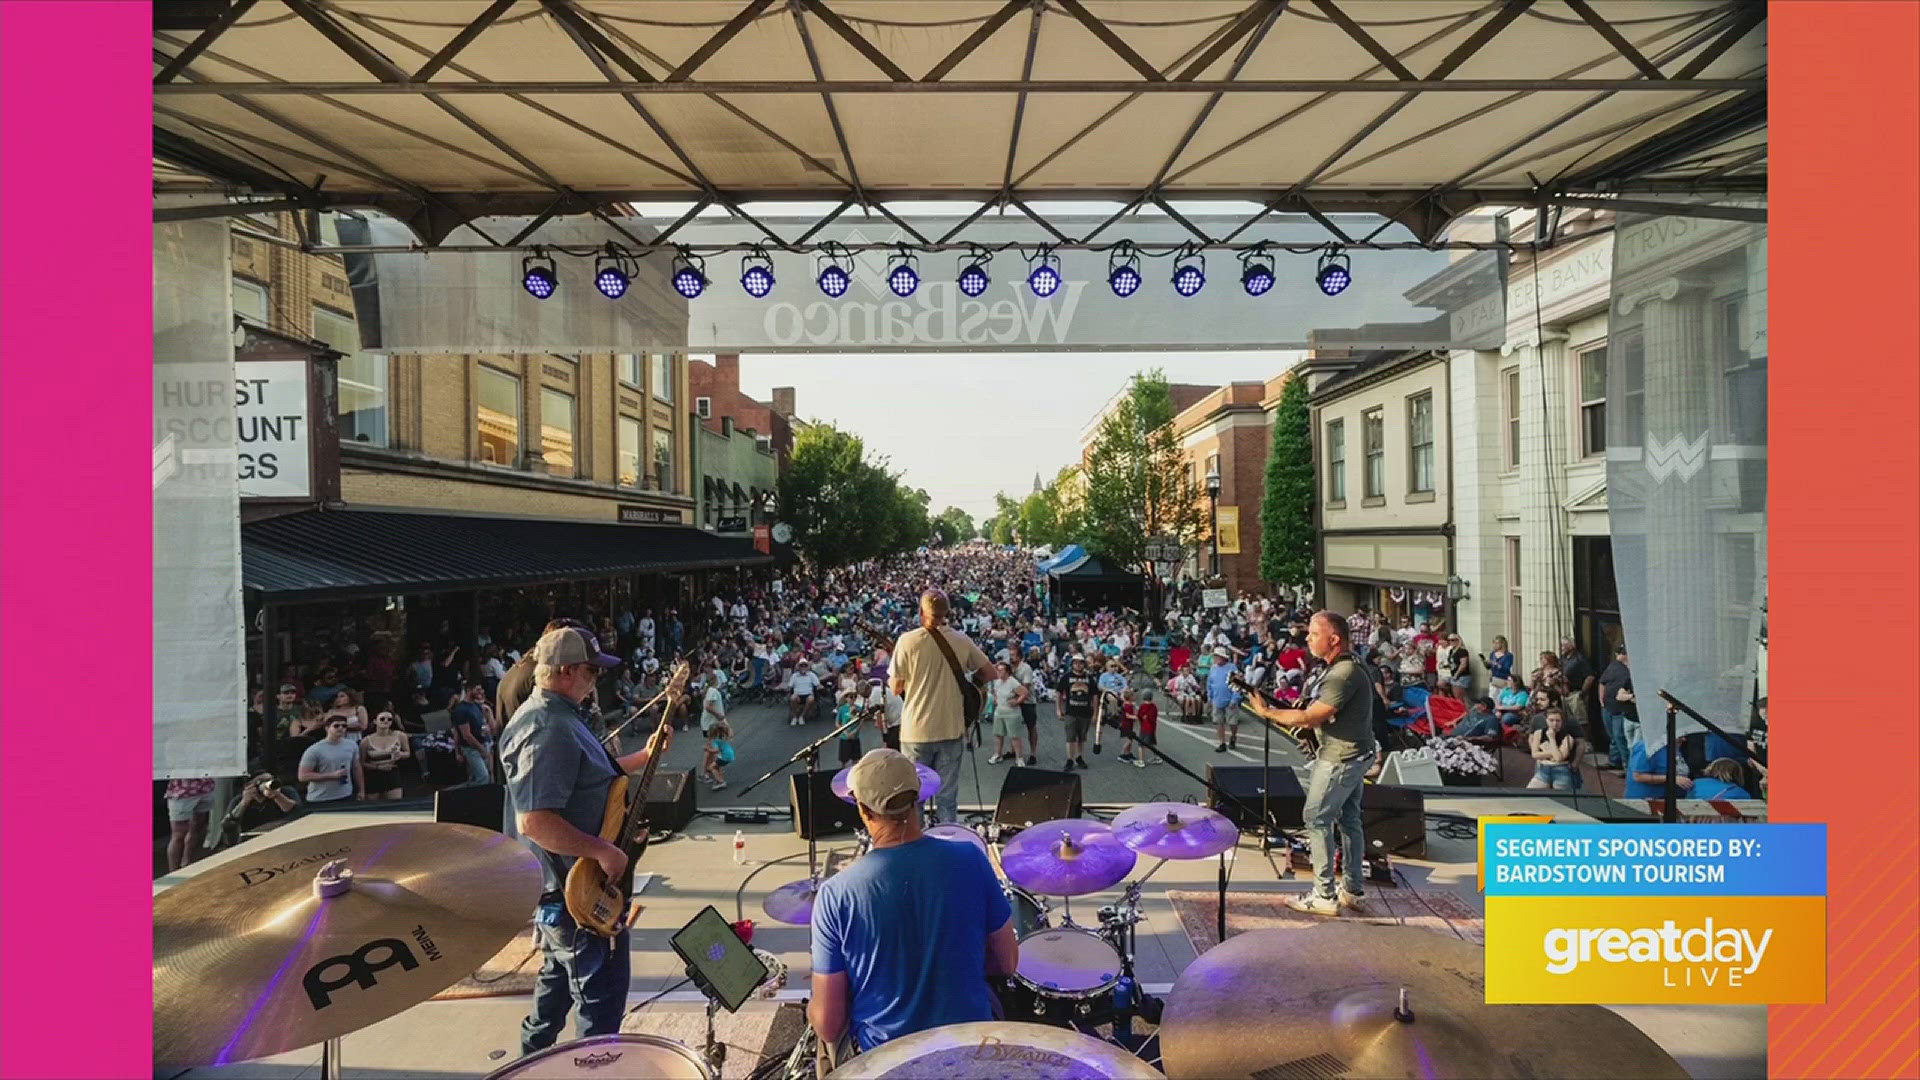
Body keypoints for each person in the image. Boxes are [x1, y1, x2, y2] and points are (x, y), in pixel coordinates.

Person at [500, 626, 673, 1056]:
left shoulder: (558, 716)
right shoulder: (549, 728)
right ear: (567, 671)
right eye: (592, 672)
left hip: (567, 892)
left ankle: (530, 1061)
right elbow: (536, 821)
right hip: (573, 896)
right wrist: (604, 850)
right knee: (600, 1006)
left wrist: (644, 758)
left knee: (554, 994)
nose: (598, 680)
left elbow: (589, 775)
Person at [808, 749, 1018, 1072]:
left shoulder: (835, 895)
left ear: (863, 811)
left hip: (887, 1063)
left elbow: (828, 1023)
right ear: (918, 798)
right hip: (970, 1052)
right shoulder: (971, 859)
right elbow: (1007, 962)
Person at [1240, 612, 1378, 917]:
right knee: (1349, 819)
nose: (1307, 638)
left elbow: (1313, 716)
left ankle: (1323, 894)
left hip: (1340, 757)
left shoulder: (1343, 674)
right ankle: (1352, 889)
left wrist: (1267, 713)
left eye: (1314, 634)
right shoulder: (1349, 665)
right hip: (1357, 753)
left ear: (1334, 639)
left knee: (1316, 819)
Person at [889, 590, 993, 825]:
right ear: (948, 613)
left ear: (921, 612)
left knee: (915, 795)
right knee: (947, 795)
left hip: (916, 730)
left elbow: (896, 688)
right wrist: (971, 686)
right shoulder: (961, 640)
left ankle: (916, 842)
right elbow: (990, 672)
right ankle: (947, 837)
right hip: (951, 728)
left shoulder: (907, 641)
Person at [298, 717, 364, 805]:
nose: (341, 728)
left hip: (346, 795)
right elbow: (303, 776)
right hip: (320, 798)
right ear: (327, 728)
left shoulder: (352, 745)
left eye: (344, 726)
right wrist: (332, 775)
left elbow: (356, 768)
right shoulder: (315, 749)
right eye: (336, 726)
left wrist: (361, 790)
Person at [163, 776, 218, 871]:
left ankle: (188, 863)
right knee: (178, 835)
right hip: (181, 791)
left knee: (198, 827)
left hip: (206, 787)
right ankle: (174, 874)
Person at [358, 710, 412, 801]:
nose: (386, 721)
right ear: (375, 721)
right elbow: (361, 762)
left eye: (389, 719)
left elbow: (408, 753)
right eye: (382, 719)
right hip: (373, 775)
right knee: (373, 805)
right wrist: (378, 767)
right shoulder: (366, 741)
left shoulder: (400, 736)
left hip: (392, 773)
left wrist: (401, 754)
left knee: (395, 803)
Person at [451, 683, 495, 786]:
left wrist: (490, 714)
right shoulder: (462, 710)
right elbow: (466, 735)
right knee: (482, 777)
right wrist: (458, 752)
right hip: (472, 748)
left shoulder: (477, 706)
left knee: (486, 776)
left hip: (484, 743)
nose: (482, 692)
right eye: (478, 690)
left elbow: (489, 726)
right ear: (470, 690)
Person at [1625, 733, 1691, 800]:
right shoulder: (1647, 747)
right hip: (1646, 799)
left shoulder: (1673, 746)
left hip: (1668, 797)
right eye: (1680, 736)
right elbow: (1638, 776)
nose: (1684, 739)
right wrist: (1672, 779)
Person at [1058, 655, 1095, 771]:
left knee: (1081, 737)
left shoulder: (1089, 678)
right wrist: (1059, 709)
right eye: (1076, 663)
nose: (1078, 665)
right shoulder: (1066, 677)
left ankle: (1079, 757)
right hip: (1071, 712)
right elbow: (1059, 693)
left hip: (1085, 712)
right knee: (1070, 737)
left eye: (1081, 663)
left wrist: (1095, 713)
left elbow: (1095, 696)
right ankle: (1070, 759)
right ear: (1072, 664)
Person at [1598, 647, 1633, 770]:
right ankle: (1614, 761)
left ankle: (1626, 765)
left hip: (1622, 708)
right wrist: (1601, 699)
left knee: (1620, 736)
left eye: (1623, 653)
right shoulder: (1613, 666)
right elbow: (1602, 682)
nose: (1619, 655)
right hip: (1608, 706)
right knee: (1613, 735)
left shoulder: (1632, 669)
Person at [1528, 708, 1580, 790]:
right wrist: (1554, 752)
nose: (1554, 724)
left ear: (1562, 722)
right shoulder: (1538, 733)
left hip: (1562, 771)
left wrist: (1551, 739)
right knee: (1531, 793)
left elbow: (1558, 758)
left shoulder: (1568, 737)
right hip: (1544, 770)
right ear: (1546, 720)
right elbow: (1534, 754)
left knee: (1562, 797)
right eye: (1551, 720)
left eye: (1558, 721)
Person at [1208, 645, 1241, 753]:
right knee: (1219, 722)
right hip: (1217, 698)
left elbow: (1236, 685)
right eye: (1215, 656)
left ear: (1223, 657)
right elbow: (1210, 683)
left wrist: (1234, 699)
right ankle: (1222, 742)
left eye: (1217, 656)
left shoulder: (1232, 668)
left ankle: (1233, 736)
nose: (1216, 659)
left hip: (1230, 698)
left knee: (1232, 722)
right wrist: (1210, 696)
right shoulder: (1213, 668)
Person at [703, 718, 734, 792]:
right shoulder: (721, 738)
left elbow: (716, 750)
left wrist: (708, 749)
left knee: (711, 767)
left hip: (725, 756)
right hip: (729, 754)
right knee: (717, 766)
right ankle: (719, 778)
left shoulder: (715, 741)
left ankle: (721, 782)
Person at [789, 663, 822, 727]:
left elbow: (817, 684)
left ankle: (802, 716)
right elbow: (790, 686)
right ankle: (795, 717)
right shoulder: (794, 676)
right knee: (792, 698)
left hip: (808, 694)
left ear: (807, 667)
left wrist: (820, 687)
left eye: (805, 666)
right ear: (799, 667)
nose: (803, 668)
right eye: (801, 666)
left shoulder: (812, 675)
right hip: (797, 695)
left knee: (811, 699)